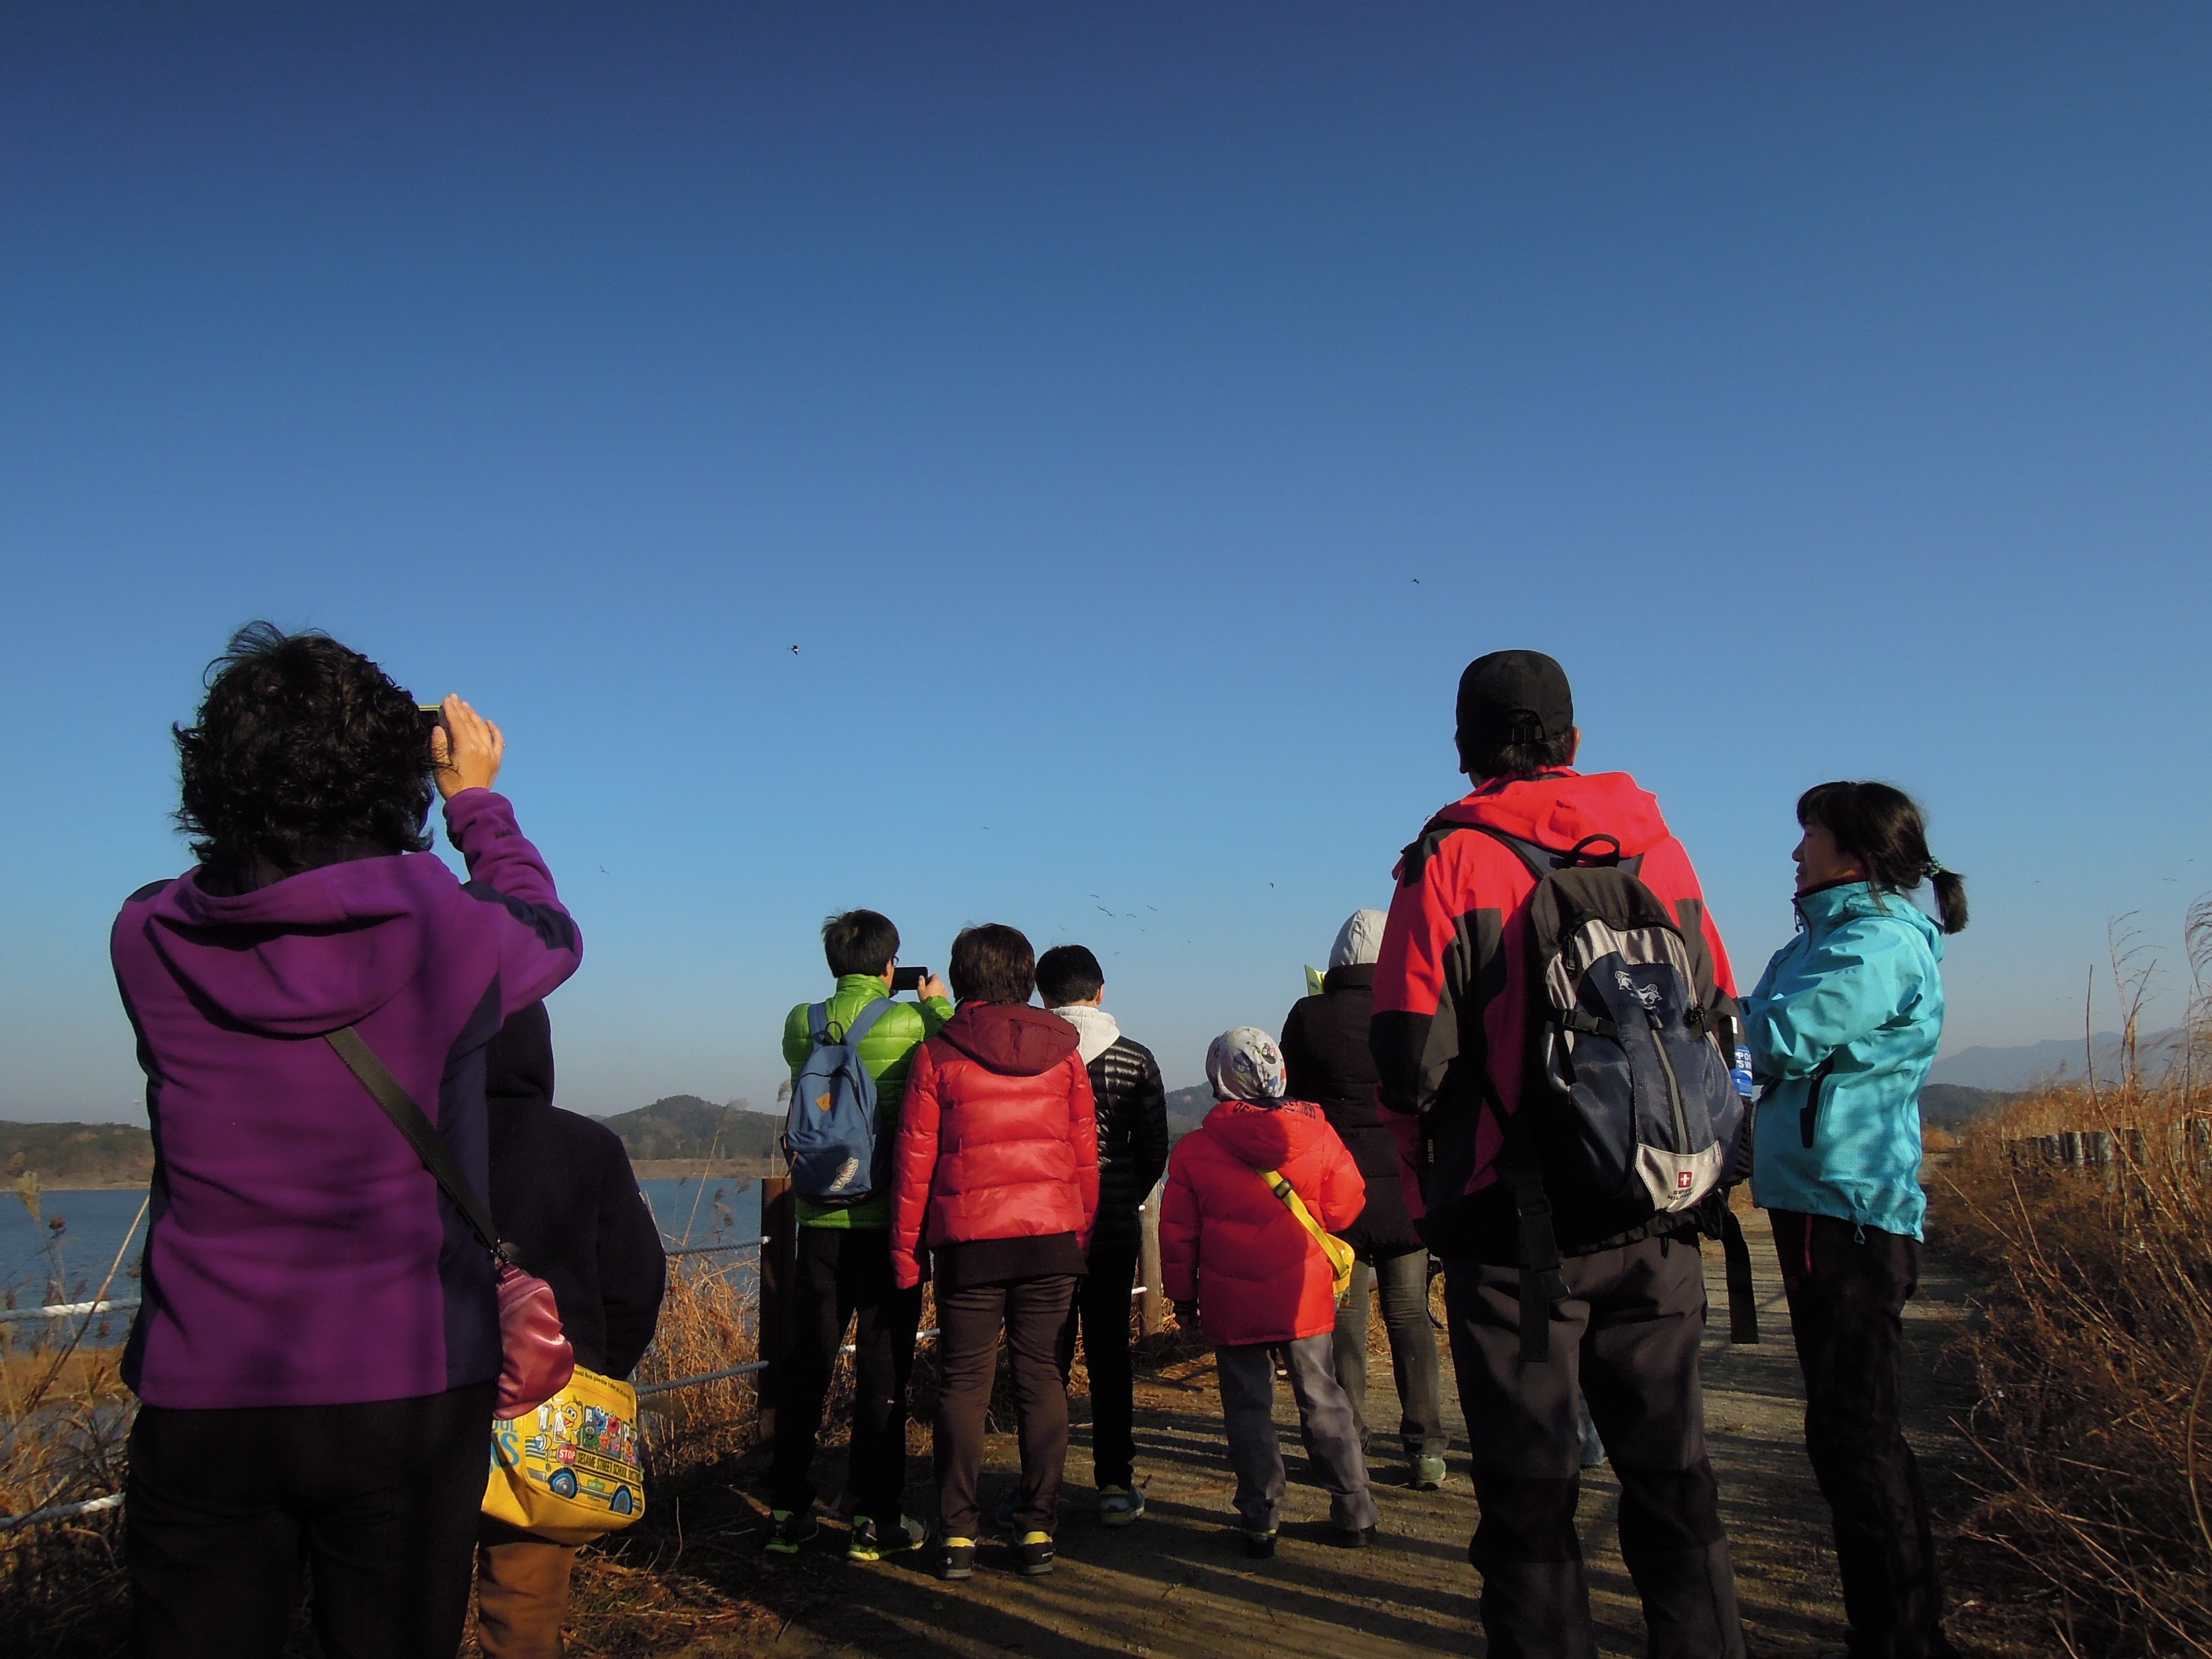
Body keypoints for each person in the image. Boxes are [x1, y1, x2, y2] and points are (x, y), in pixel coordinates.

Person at [111, 623, 582, 1659]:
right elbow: (551, 930)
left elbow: (226, 888)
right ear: (391, 772)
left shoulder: (147, 936)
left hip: (205, 1382)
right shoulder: (451, 932)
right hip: (409, 1383)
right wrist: (476, 801)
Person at [1371, 649, 1747, 1659]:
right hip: (1659, 1213)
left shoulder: (1449, 859)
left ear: (1466, 751)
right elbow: (1718, 1012)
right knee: (1675, 1476)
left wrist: (1437, 1190)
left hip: (1521, 1238)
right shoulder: (1661, 850)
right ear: (1576, 741)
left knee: (1534, 1500)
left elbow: (1408, 1059)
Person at [1747, 782, 1968, 1659]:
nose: (1795, 854)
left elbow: (1775, 1039)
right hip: (1821, 1205)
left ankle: (1901, 1635)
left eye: (1810, 836)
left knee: (1857, 1435)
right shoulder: (1824, 939)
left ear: (1856, 856)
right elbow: (1748, 1053)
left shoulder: (1873, 943)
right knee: (1847, 1431)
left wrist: (1694, 1032)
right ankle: (1895, 1628)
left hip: (1848, 1211)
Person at [888, 924, 1098, 1581]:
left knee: (964, 1384)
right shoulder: (1064, 1055)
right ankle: (1036, 1529)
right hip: (1049, 1241)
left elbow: (913, 1168)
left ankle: (957, 1537)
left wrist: (904, 1255)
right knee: (1041, 1378)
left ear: (963, 975)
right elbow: (1083, 1158)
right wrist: (1078, 1233)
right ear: (1027, 979)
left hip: (970, 1245)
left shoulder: (938, 1053)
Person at [476, 999, 667, 1659]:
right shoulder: (587, 1146)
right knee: (524, 1612)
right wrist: (596, 1371)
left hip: (418, 1407)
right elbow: (636, 1282)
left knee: (403, 1601)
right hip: (549, 1415)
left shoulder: (393, 1139)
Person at [768, 910, 952, 1561]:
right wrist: (933, 1001)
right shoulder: (909, 1023)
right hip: (887, 1226)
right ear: (888, 965)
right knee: (884, 1372)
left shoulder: (801, 1022)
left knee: (806, 1368)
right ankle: (877, 1518)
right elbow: (955, 1043)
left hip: (817, 1219)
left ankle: (787, 1510)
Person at [1161, 1027, 1376, 1557]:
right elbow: (1348, 1207)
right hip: (1304, 1293)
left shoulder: (1193, 1151)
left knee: (1249, 1410)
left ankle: (1261, 1518)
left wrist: (1182, 1299)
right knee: (1324, 1398)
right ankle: (1354, 1509)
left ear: (1219, 1080)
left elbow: (1178, 1236)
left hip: (1232, 1302)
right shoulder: (1317, 1133)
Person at [1280, 909, 1447, 1490]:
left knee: (1344, 1325)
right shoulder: (1412, 1014)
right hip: (1405, 1188)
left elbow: (1292, 1102)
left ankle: (1348, 1444)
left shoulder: (1308, 1016)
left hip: (1334, 1196)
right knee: (1408, 1315)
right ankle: (1425, 1449)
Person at [1037, 943, 1170, 1527]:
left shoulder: (1032, 1058)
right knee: (1111, 1354)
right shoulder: (1137, 1059)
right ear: (1101, 991)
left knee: (1047, 1357)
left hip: (1049, 1224)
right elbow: (1154, 1149)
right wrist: (1124, 1193)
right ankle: (1115, 1483)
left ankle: (1039, 1486)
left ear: (1043, 997)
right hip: (1114, 1227)